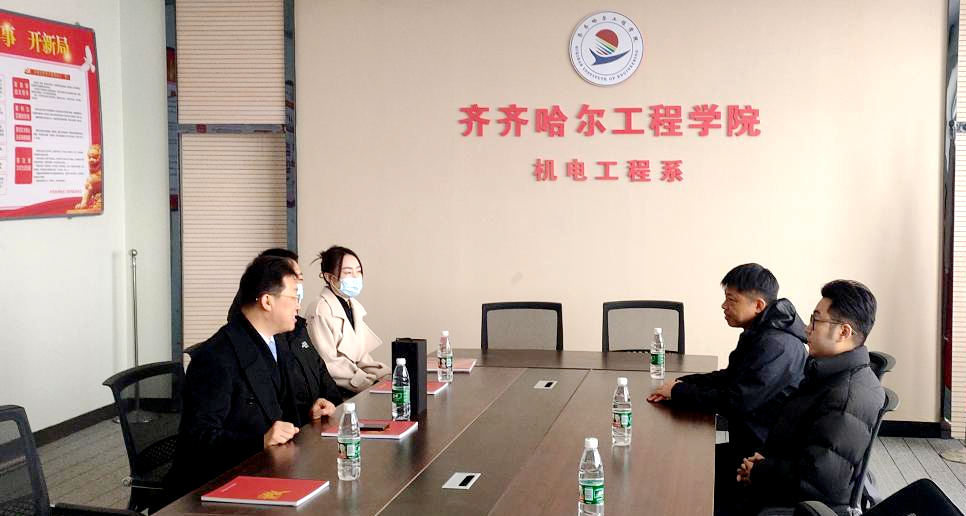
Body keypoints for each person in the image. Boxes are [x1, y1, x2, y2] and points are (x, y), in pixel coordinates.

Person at [165, 256, 338, 502]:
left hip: (269, 471)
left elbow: (277, 407)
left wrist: (310, 411)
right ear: (267, 301)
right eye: (293, 297)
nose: (298, 306)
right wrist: (259, 441)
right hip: (215, 487)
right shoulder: (215, 357)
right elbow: (197, 439)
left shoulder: (277, 343)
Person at [718, 280, 885, 515]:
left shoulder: (845, 397)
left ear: (844, 332)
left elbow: (817, 479)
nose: (807, 329)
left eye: (816, 321)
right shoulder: (827, 373)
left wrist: (759, 471)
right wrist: (762, 462)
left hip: (793, 504)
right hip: (777, 472)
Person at [647, 263, 808, 483]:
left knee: (685, 463)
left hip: (757, 446)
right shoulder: (761, 332)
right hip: (742, 427)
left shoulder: (776, 345)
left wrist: (679, 392)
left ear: (758, 305)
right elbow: (730, 377)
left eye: (732, 300)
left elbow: (736, 401)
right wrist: (680, 383)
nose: (724, 306)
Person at [227, 248, 343, 409]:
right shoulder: (237, 347)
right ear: (267, 299)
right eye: (293, 284)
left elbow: (320, 371)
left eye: (299, 280)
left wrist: (332, 407)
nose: (298, 299)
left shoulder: (297, 328)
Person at [305, 245, 390, 396]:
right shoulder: (320, 310)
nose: (356, 277)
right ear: (329, 277)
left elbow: (359, 356)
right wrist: (369, 382)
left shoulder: (352, 305)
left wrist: (386, 376)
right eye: (348, 273)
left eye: (358, 271)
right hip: (336, 394)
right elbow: (329, 363)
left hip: (356, 388)